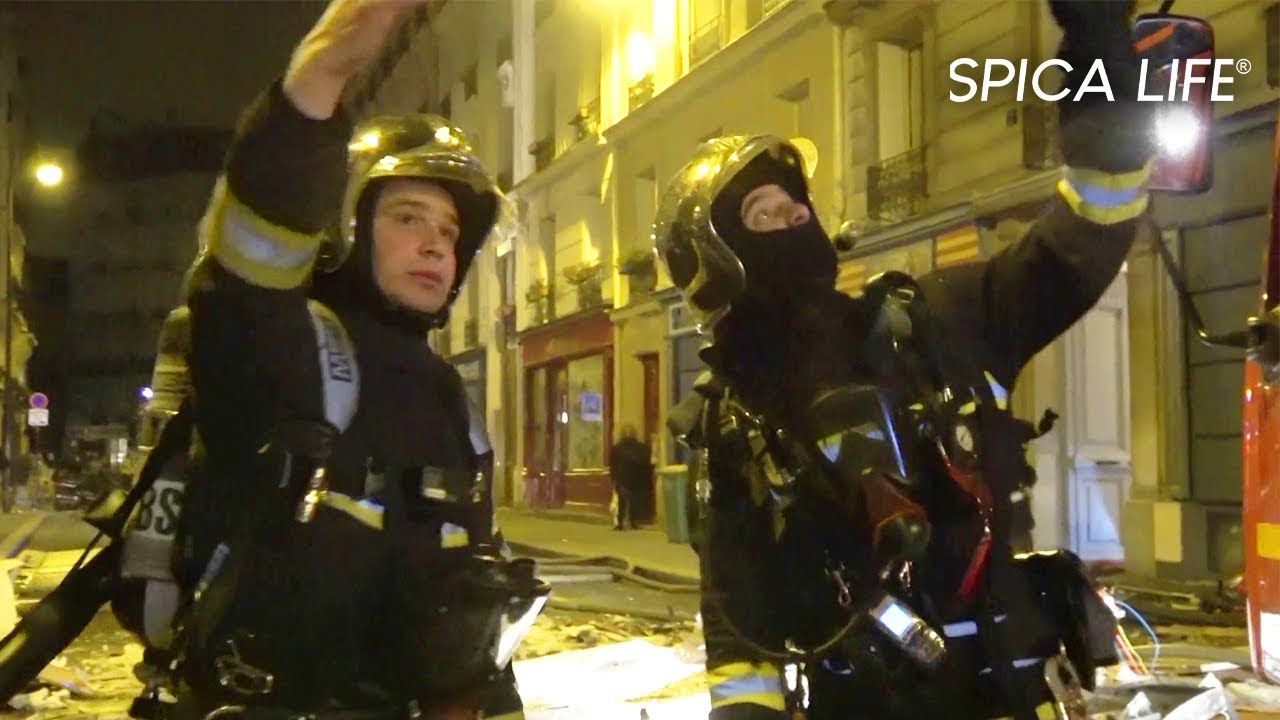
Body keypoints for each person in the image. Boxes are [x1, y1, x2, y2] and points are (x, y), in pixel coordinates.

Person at [658, 2, 1147, 718]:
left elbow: (1088, 234)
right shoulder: (733, 426)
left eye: (799, 205)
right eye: (765, 212)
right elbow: (739, 635)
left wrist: (1098, 40)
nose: (798, 217)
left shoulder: (937, 325)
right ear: (718, 265)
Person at [162, 2, 543, 719]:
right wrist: (318, 79)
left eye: (450, 230)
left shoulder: (447, 400)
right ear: (348, 225)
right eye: (407, 218)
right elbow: (250, 263)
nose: (437, 245)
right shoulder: (287, 348)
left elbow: (474, 603)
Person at [608, 425, 652, 530]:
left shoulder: (617, 448)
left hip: (622, 477)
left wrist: (613, 478)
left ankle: (620, 523)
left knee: (622, 501)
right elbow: (645, 463)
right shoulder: (640, 447)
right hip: (635, 477)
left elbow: (613, 464)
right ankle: (633, 521)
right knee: (634, 500)